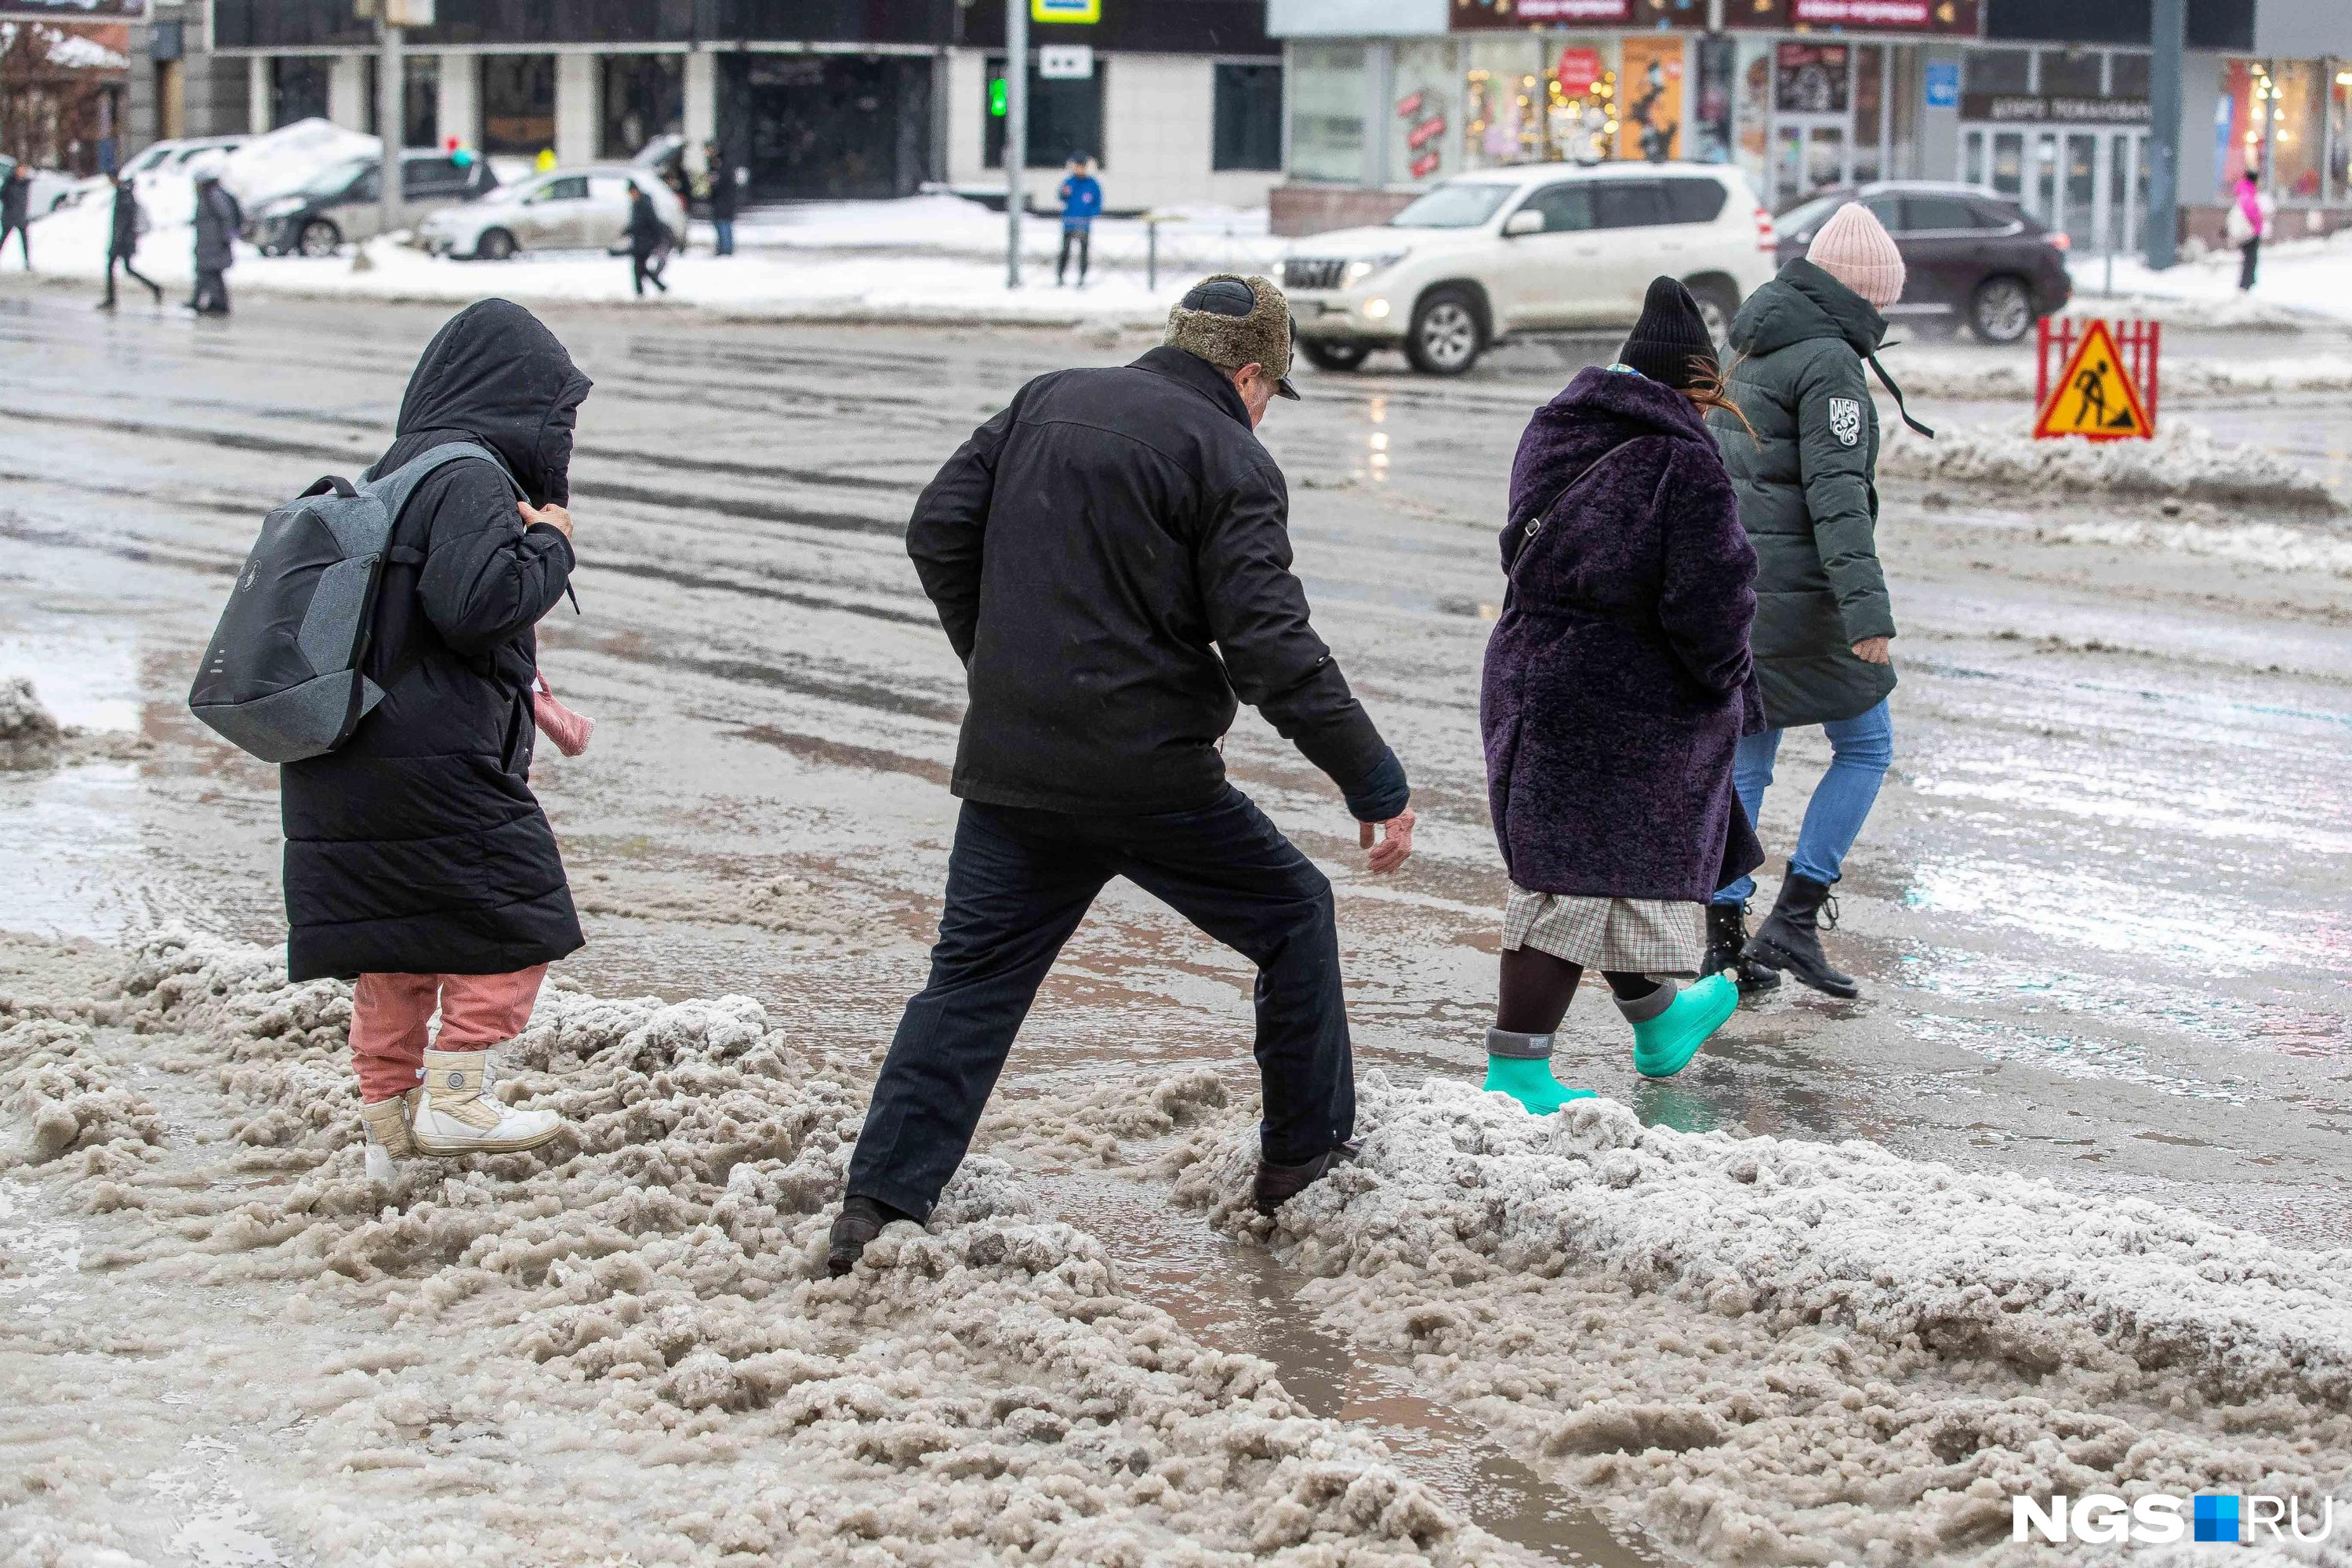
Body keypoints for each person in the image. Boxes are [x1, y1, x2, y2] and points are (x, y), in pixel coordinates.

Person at [826, 274, 1417, 1273]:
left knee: (967, 984)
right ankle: (1300, 1160)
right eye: (1270, 389)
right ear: (1245, 372)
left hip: (1016, 769)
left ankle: (876, 1206)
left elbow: (937, 530)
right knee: (1293, 915)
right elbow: (1270, 646)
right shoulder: (1230, 454)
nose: (1266, 409)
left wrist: (1003, 669)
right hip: (1152, 782)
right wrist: (1375, 780)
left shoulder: (1043, 398)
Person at [280, 299, 592, 1178]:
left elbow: (415, 624)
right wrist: (552, 542)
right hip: (427, 766)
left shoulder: (396, 471)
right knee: (521, 914)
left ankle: (388, 1122)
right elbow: (476, 605)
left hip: (349, 754)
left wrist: (534, 698)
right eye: (557, 414)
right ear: (517, 401)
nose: (562, 434)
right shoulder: (472, 476)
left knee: (400, 942)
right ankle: (457, 1094)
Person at [1478, 279, 1760, 1113]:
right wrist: (1724, 682)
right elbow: (1712, 602)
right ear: (1692, 389)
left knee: (1600, 864)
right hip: (1625, 703)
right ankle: (1519, 1072)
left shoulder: (1555, 427)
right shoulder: (1684, 462)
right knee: (1568, 879)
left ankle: (1661, 1020)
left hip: (1531, 668)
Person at [1705, 201, 1929, 1000]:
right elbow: (1837, 498)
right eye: (1884, 299)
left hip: (1745, 590)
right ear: (1860, 291)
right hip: (1806, 595)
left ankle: (1723, 936)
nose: (1885, 313)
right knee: (1866, 742)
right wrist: (1868, 616)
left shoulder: (1754, 343)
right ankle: (1793, 919)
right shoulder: (1829, 361)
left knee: (1751, 755)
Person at [98, 172, 163, 310]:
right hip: (124, 239)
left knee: (115, 267)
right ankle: (154, 288)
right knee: (127, 268)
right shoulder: (124, 193)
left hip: (123, 240)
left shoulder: (124, 195)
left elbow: (124, 222)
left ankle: (111, 299)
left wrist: (117, 240)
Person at [189, 168, 242, 317]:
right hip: (208, 242)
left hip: (214, 243)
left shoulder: (212, 195)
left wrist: (225, 238)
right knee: (210, 273)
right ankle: (211, 302)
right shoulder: (208, 195)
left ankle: (219, 304)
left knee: (211, 272)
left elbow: (225, 216)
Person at [1055, 154, 1101, 288]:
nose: (1079, 169)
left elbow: (1097, 204)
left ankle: (1082, 276)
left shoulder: (1092, 184)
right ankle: (1060, 275)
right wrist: (1064, 193)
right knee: (1065, 251)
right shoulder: (1070, 182)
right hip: (1069, 222)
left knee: (1083, 252)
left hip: (1084, 224)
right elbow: (1061, 197)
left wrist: (1089, 214)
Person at [2227, 170, 2273, 291]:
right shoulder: (2248, 193)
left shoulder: (2244, 191)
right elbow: (2251, 212)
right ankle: (2246, 283)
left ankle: (2247, 283)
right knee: (2250, 259)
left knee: (2249, 258)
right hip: (2249, 233)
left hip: (2246, 232)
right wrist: (2259, 221)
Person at [627, 181, 670, 297]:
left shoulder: (644, 205)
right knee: (639, 268)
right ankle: (655, 288)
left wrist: (656, 239)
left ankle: (642, 292)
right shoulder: (638, 204)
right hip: (641, 241)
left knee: (638, 268)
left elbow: (651, 223)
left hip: (645, 241)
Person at [705, 141, 742, 258]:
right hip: (720, 200)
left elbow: (722, 181)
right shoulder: (714, 163)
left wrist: (714, 181)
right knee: (721, 223)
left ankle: (726, 249)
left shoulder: (721, 164)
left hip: (724, 200)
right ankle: (724, 247)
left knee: (723, 223)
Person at [1, 164, 31, 270]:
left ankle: (27, 262)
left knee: (25, 240)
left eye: (24, 171)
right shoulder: (9, 182)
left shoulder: (26, 183)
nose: (23, 172)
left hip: (21, 216)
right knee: (4, 238)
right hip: (9, 215)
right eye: (21, 170)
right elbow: (2, 195)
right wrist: (9, 204)